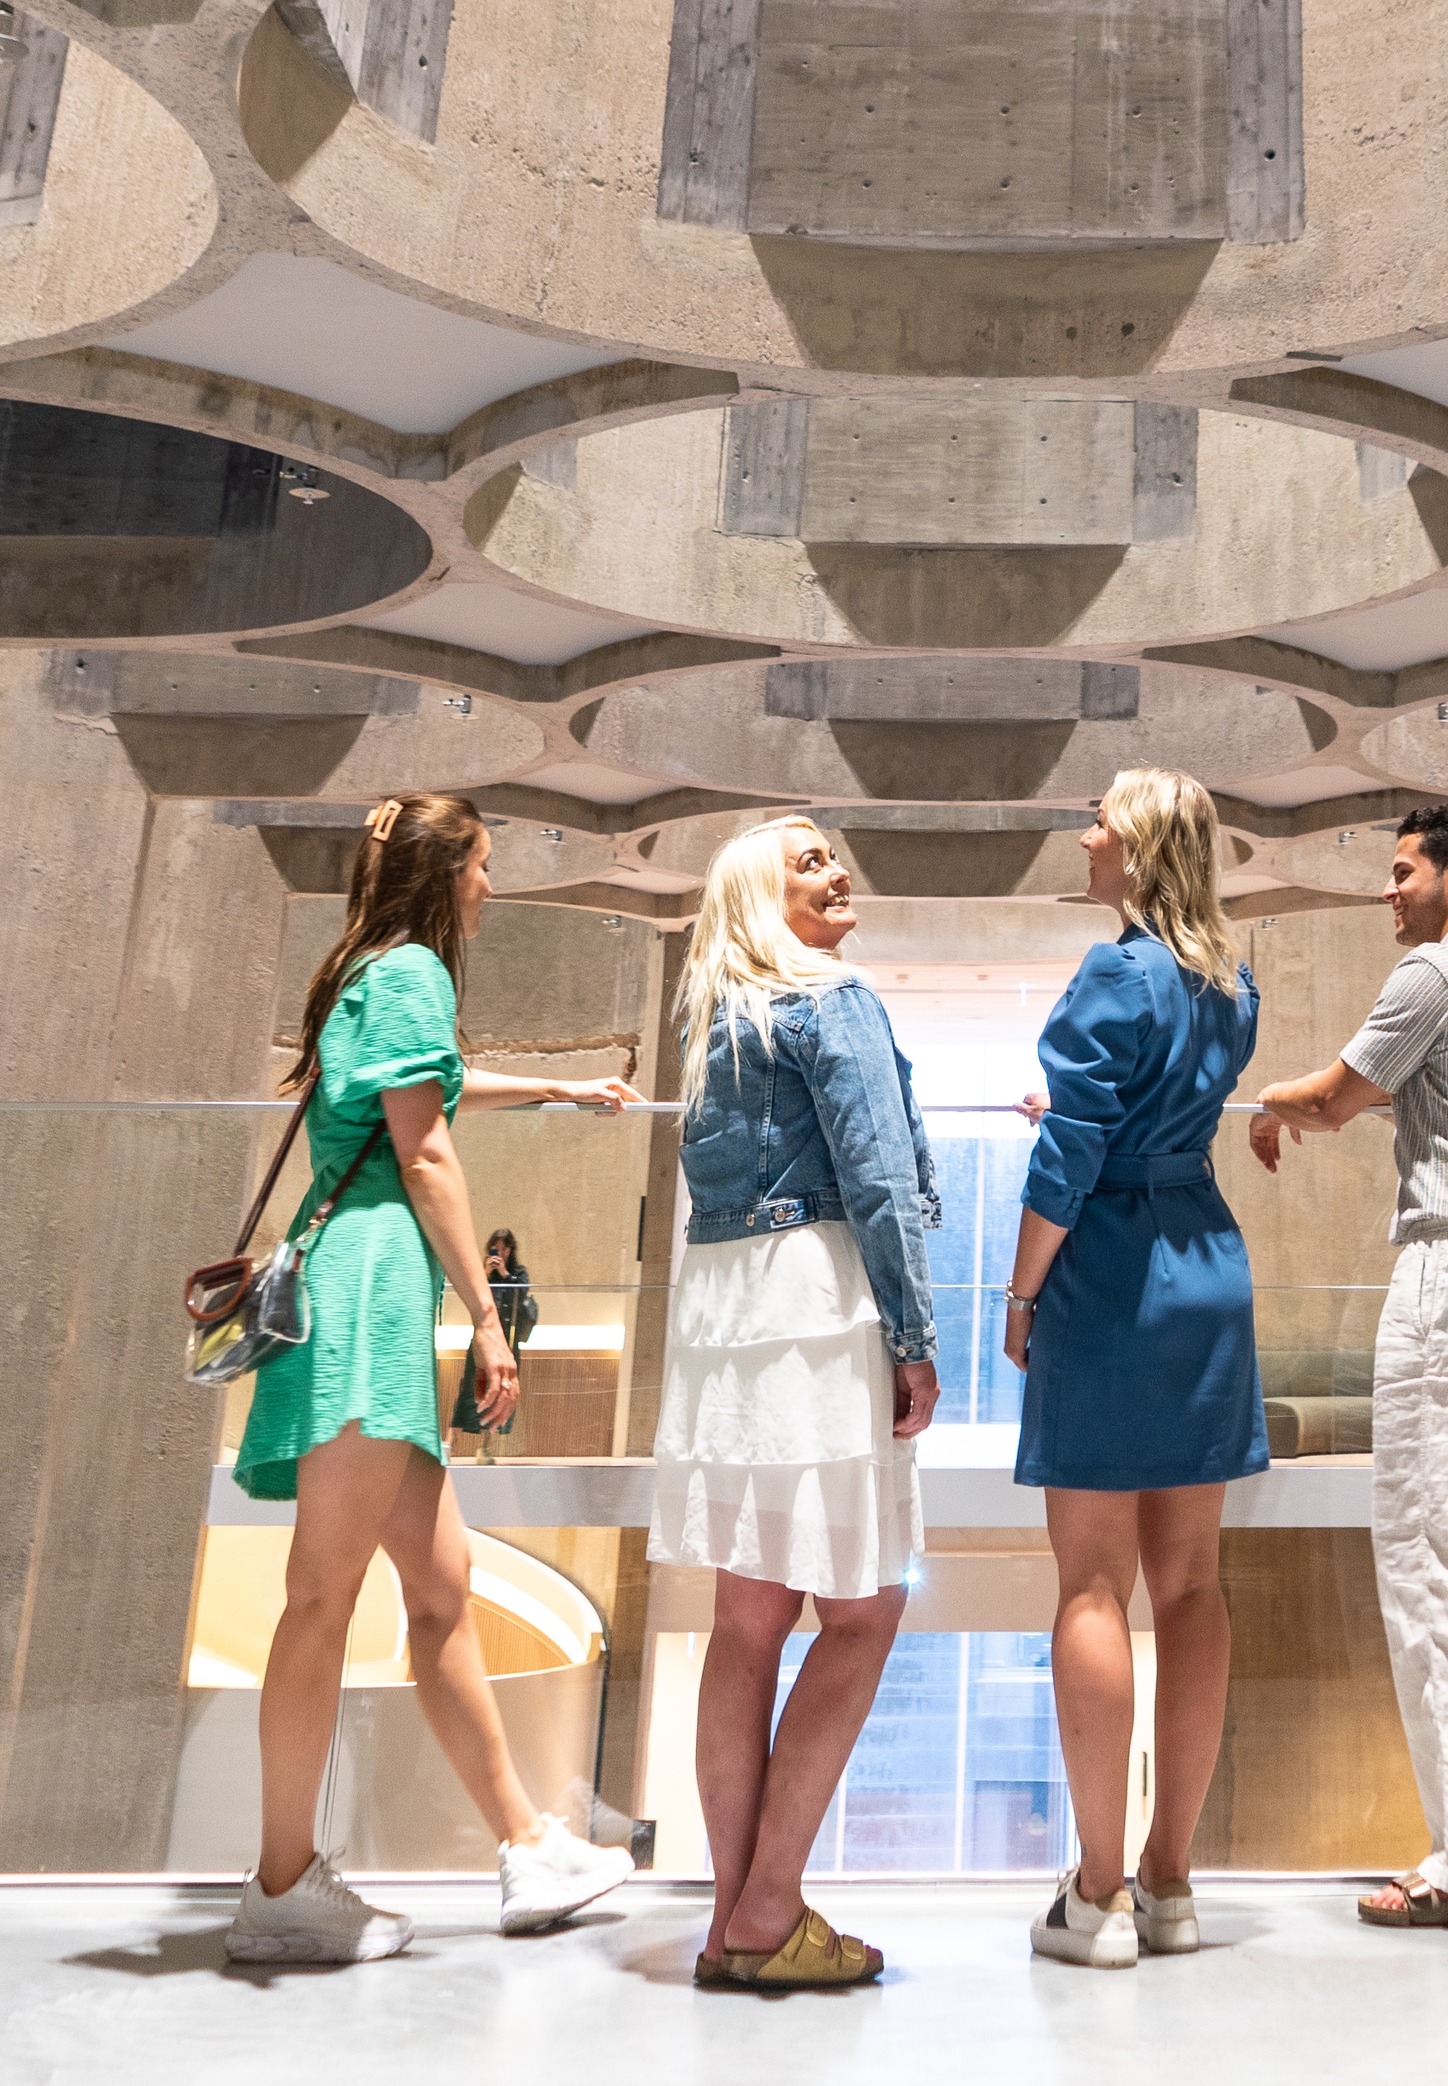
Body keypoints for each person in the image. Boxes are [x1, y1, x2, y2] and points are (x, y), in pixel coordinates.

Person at [223, 793, 641, 1971]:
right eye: (484, 865)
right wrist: (487, 1316)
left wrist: (557, 1088)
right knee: (321, 1594)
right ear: (445, 869)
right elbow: (425, 1146)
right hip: (371, 1294)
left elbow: (428, 1089)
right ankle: (281, 1884)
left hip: (359, 1281)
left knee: (444, 1587)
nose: (491, 888)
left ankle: (527, 1843)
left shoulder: (364, 968)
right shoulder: (412, 971)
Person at [1250, 798, 1448, 1929]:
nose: (1388, 891)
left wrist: (1267, 1100)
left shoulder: (1431, 979)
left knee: (1447, 1561)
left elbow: (1337, 1097)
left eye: (1402, 872)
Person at [650, 816, 942, 1996]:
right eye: (808, 857)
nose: (837, 867)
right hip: (818, 1302)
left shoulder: (724, 1018)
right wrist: (916, 1336)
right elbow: (875, 1173)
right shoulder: (832, 996)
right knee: (862, 1615)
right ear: (761, 895)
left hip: (728, 1317)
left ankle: (735, 1918)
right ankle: (768, 1905)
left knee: (748, 1621)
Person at [1000, 768, 1268, 1972]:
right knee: (1193, 1587)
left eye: (1103, 815)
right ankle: (1172, 1880)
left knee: (1092, 1587)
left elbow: (1068, 1163)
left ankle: (1096, 1893)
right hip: (1207, 1265)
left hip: (1111, 1276)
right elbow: (1151, 1111)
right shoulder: (1230, 978)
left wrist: (1018, 1294)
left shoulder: (1113, 971)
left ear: (1143, 843)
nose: (1087, 830)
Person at [452, 1227, 541, 1446]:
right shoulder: (483, 1272)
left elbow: (522, 1293)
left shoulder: (518, 1273)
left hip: (507, 1341)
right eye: (496, 1248)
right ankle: (450, 1441)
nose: (499, 1253)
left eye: (504, 1248)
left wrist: (504, 1274)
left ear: (511, 1250)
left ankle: (486, 1447)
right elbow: (471, 1291)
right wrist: (484, 1272)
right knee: (469, 1388)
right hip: (482, 1340)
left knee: (499, 1389)